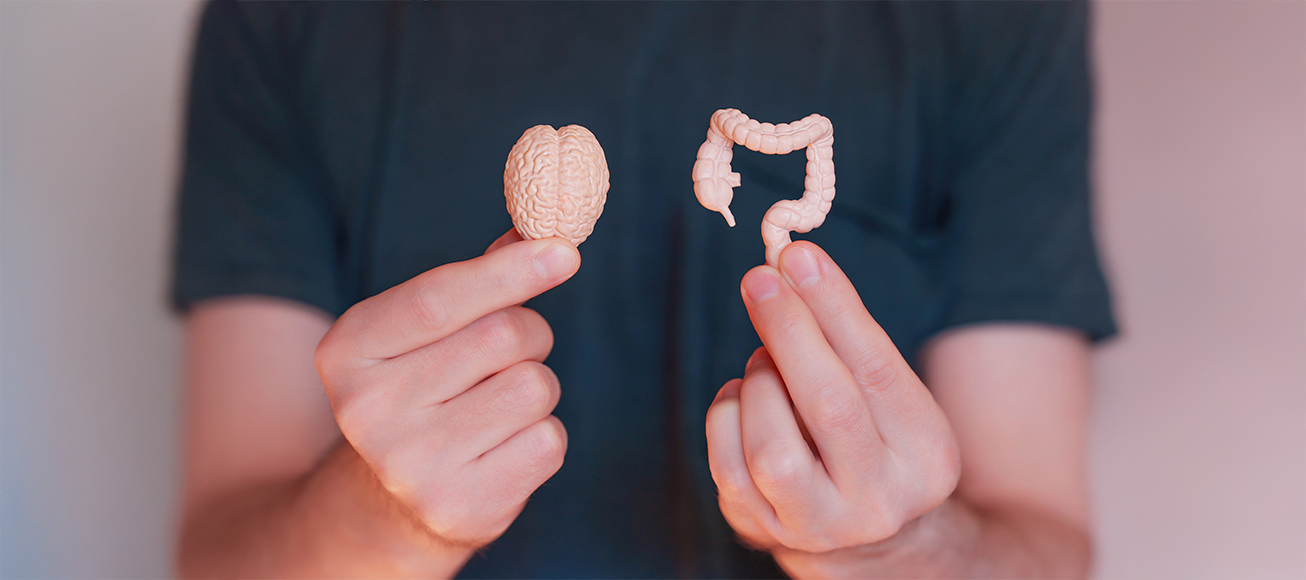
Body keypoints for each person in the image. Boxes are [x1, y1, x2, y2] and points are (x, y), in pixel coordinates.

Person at [172, 1, 1115, 578]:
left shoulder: (997, 16)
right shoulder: (281, 20)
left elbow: (1045, 546)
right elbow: (218, 558)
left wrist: (895, 550)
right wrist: (389, 518)